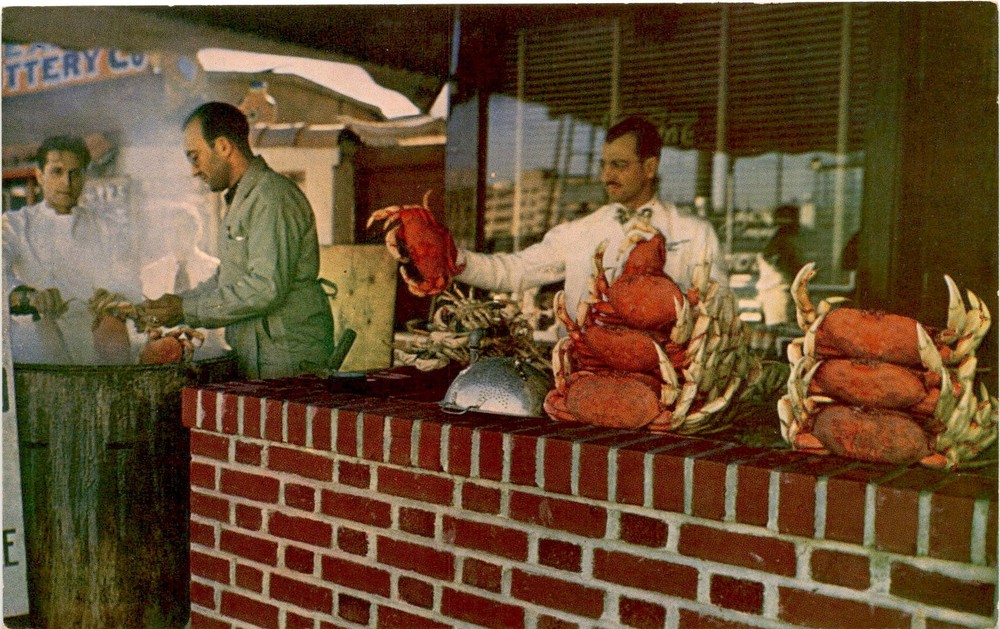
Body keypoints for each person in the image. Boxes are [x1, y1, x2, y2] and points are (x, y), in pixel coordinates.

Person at [454, 115, 728, 320]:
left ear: (649, 168)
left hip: (662, 373)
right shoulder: (578, 231)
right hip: (584, 369)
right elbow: (514, 272)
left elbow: (718, 308)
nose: (607, 175)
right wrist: (454, 260)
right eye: (603, 165)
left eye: (619, 165)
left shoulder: (694, 233)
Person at [140, 102, 333, 378]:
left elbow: (265, 288)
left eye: (195, 157)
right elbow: (229, 277)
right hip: (260, 351)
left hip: (286, 355)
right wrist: (178, 303)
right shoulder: (242, 198)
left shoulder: (270, 196)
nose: (193, 170)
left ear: (222, 147)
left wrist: (187, 309)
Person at [3, 135, 142, 363]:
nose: (66, 183)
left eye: (75, 173)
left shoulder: (107, 227)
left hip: (95, 348)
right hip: (38, 350)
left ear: (84, 176)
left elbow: (129, 281)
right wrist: (27, 296)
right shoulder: (15, 224)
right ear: (40, 175)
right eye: (57, 172)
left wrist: (115, 296)